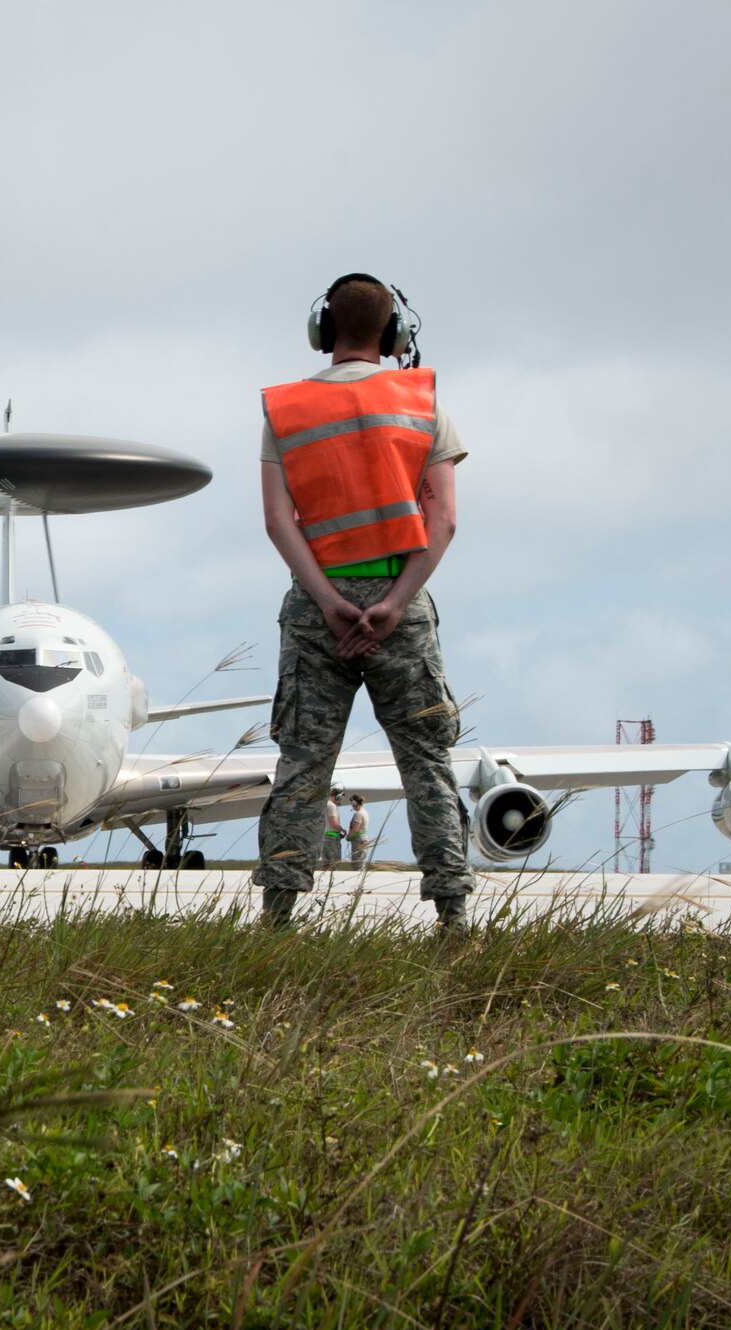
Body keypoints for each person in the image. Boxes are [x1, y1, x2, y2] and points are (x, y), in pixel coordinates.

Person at [253, 272, 474, 933]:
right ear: (394, 333)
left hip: (317, 607)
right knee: (426, 760)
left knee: (302, 763)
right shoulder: (423, 402)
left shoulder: (284, 409)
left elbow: (277, 520)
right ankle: (452, 913)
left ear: (323, 330)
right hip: (400, 604)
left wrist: (326, 600)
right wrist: (395, 603)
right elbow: (443, 522)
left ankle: (279, 916)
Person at [344, 793, 370, 868]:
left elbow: (355, 829)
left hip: (358, 841)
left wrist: (348, 836)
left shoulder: (359, 814)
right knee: (361, 862)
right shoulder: (364, 812)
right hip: (363, 839)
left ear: (354, 803)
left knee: (357, 863)